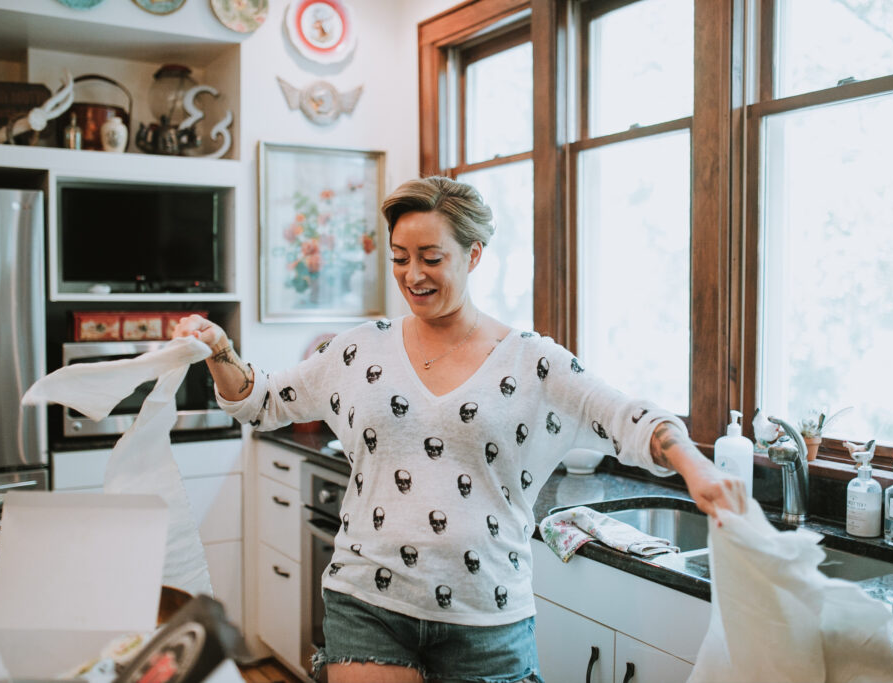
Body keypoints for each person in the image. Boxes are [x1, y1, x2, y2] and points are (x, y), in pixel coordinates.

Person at [174, 176, 746, 683]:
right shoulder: (357, 349)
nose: (412, 275)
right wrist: (219, 349)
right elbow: (262, 399)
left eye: (430, 257)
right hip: (368, 597)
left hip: (487, 614)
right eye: (399, 258)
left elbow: (628, 415)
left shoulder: (532, 362)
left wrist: (698, 470)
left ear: (472, 255)